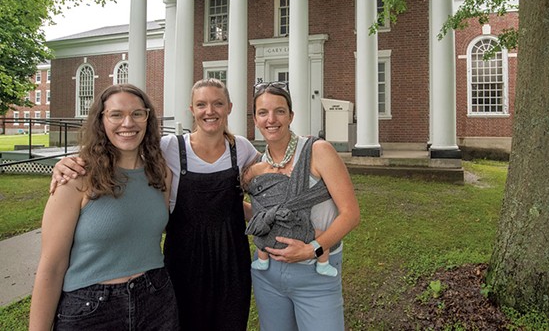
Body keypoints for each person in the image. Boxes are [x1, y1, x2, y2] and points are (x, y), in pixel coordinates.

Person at [51, 78, 259, 330]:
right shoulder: (169, 148)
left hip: (231, 257)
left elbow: (266, 183)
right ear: (191, 109)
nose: (210, 111)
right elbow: (123, 151)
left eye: (218, 103)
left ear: (229, 107)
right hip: (184, 257)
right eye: (201, 104)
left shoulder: (243, 149)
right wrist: (68, 163)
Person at [30, 84, 178, 330]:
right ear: (101, 120)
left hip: (156, 299)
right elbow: (52, 266)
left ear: (148, 118)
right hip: (91, 309)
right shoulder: (76, 177)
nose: (128, 123)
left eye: (137, 113)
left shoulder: (161, 174)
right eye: (116, 114)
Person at [247, 81, 360, 331]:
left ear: (291, 116)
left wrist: (313, 250)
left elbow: (351, 214)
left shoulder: (318, 151)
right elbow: (263, 215)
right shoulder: (257, 167)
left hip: (315, 275)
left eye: (279, 111)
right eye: (263, 113)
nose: (271, 119)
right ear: (255, 119)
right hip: (268, 275)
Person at [242, 160, 338, 277]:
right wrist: (295, 177)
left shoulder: (257, 196)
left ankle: (262, 261)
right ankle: (323, 264)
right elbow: (297, 191)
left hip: (269, 240)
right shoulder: (279, 184)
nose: (277, 169)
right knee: (321, 236)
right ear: (264, 179)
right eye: (271, 168)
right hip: (295, 232)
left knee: (261, 236)